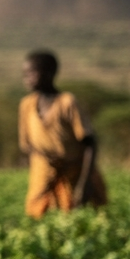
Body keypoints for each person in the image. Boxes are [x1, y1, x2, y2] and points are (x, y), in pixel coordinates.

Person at [20, 49, 108, 218]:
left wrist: (85, 182)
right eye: (24, 74)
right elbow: (27, 145)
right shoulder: (26, 105)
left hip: (73, 174)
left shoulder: (67, 102)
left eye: (31, 73)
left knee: (75, 216)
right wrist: (46, 161)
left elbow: (90, 143)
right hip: (42, 173)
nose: (27, 79)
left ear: (49, 73)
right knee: (39, 216)